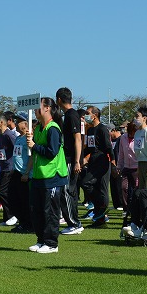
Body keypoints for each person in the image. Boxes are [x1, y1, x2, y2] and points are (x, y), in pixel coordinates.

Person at [27, 97, 69, 253]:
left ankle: (52, 243)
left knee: (50, 211)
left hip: (52, 176)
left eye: (38, 107)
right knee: (36, 210)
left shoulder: (53, 128)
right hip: (39, 175)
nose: (36, 110)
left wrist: (34, 146)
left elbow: (52, 152)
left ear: (47, 108)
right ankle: (41, 240)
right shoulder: (38, 128)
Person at [55, 87, 84, 235]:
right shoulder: (69, 115)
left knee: (66, 191)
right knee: (69, 191)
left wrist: (77, 161)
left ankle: (74, 223)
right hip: (68, 158)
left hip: (71, 159)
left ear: (59, 99)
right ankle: (73, 222)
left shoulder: (72, 115)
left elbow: (77, 139)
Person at [79, 106, 113, 227]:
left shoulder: (102, 129)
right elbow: (89, 147)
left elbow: (108, 147)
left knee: (96, 186)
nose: (86, 115)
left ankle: (101, 214)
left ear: (95, 115)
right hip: (93, 162)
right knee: (91, 185)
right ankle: (100, 214)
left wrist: (113, 162)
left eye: (88, 113)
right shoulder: (90, 130)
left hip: (102, 162)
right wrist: (83, 158)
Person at [9, 113, 32, 233]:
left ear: (25, 124)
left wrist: (27, 173)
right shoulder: (18, 137)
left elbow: (32, 157)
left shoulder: (29, 138)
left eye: (19, 121)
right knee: (13, 198)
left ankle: (28, 224)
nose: (16, 123)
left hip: (24, 174)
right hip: (16, 172)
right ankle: (22, 222)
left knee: (24, 200)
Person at [0, 112, 17, 226]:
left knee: (3, 191)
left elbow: (17, 148)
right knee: (3, 192)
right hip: (3, 166)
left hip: (10, 167)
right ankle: (6, 217)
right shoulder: (0, 135)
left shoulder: (9, 135)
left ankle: (13, 215)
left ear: (2, 122)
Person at [116, 122, 138, 208]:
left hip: (136, 167)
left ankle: (134, 207)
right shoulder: (123, 138)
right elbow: (121, 153)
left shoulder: (138, 138)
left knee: (135, 188)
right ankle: (126, 207)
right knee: (124, 187)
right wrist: (119, 166)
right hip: (126, 166)